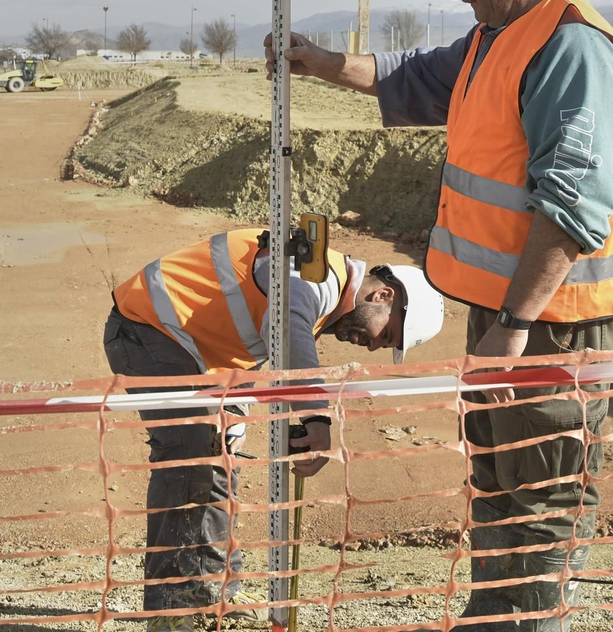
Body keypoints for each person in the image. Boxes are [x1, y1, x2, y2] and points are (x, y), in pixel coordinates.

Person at [267, 0, 613, 631]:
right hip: (508, 316)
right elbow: (409, 80)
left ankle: (533, 622)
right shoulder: (494, 39)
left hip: (555, 323)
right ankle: (494, 619)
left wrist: (512, 326)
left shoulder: (569, 50)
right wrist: (319, 62)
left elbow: (571, 214)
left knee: (541, 497)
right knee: (495, 480)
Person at [104, 227, 445, 631]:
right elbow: (285, 331)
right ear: (383, 296)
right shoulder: (313, 276)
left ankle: (217, 591)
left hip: (197, 351)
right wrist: (316, 417)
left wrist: (236, 410)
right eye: (384, 334)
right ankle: (167, 607)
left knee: (220, 459)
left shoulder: (319, 291)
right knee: (187, 456)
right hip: (146, 327)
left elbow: (252, 336)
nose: (371, 346)